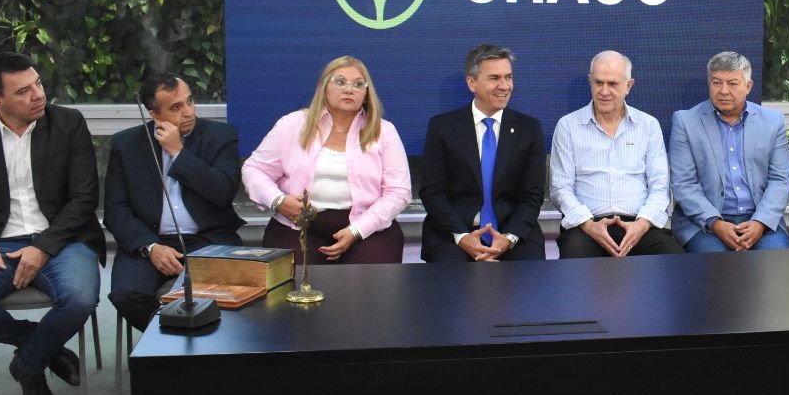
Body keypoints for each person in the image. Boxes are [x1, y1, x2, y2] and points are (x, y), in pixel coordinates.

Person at [0, 52, 105, 395]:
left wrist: (43, 247)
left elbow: (84, 198)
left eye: (38, 84)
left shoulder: (68, 123)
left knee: (79, 299)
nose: (38, 94)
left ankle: (28, 366)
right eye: (23, 91)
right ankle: (43, 347)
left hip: (63, 239)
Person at [104, 73, 244, 330]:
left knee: (226, 293)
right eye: (176, 107)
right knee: (127, 295)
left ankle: (188, 343)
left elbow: (223, 191)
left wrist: (178, 152)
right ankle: (171, 342)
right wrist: (150, 247)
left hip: (208, 238)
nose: (188, 112)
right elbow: (115, 210)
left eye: (189, 101)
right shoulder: (126, 145)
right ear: (155, 115)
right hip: (150, 241)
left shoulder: (221, 136)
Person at [242, 56, 411, 264]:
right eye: (340, 82)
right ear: (323, 88)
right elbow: (253, 169)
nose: (349, 89)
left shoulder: (384, 131)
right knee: (294, 279)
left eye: (358, 84)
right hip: (298, 223)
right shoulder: (292, 124)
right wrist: (278, 201)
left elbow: (399, 191)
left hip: (367, 226)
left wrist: (357, 230)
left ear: (367, 94)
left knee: (368, 280)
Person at [418, 44, 546, 263]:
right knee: (450, 276)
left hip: (512, 233)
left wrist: (508, 239)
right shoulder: (442, 127)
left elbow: (532, 196)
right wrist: (462, 237)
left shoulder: (529, 129)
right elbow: (433, 192)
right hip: (454, 233)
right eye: (494, 78)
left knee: (529, 275)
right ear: (472, 83)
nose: (504, 86)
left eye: (508, 77)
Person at [551, 50, 682, 258]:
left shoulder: (648, 125)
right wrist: (589, 225)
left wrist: (642, 224)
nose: (604, 91)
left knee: (672, 257)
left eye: (612, 84)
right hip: (586, 226)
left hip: (639, 224)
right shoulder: (567, 126)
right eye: (598, 83)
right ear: (590, 82)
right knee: (575, 258)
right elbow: (560, 188)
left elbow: (660, 186)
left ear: (628, 86)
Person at [670, 51, 789, 253]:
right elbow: (683, 183)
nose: (724, 91)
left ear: (748, 86)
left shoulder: (773, 121)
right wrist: (716, 223)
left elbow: (781, 180)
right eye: (717, 83)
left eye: (732, 83)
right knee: (718, 264)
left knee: (775, 262)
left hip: (760, 218)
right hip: (705, 223)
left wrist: (760, 222)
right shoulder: (686, 122)